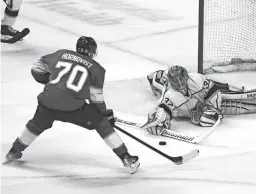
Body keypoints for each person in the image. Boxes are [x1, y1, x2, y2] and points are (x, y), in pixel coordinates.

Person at [4, 36, 140, 174]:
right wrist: (104, 114)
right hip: (73, 107)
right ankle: (125, 157)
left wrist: (52, 83)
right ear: (92, 51)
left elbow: (36, 68)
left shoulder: (61, 54)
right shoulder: (97, 69)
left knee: (35, 125)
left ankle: (14, 151)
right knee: (102, 123)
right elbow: (96, 98)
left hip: (48, 101)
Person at [142, 65, 256, 135]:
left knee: (230, 96)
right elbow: (164, 109)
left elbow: (214, 90)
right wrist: (161, 120)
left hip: (201, 97)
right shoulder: (170, 95)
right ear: (171, 82)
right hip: (186, 107)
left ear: (187, 76)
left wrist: (213, 108)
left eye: (183, 81)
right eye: (177, 83)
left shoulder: (196, 78)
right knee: (155, 80)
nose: (181, 86)